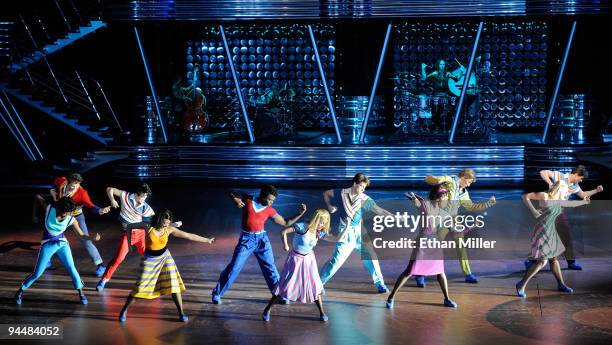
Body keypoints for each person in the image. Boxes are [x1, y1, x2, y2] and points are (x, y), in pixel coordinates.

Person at [211, 185, 307, 304]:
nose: (271, 202)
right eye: (269, 199)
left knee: (270, 268)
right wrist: (236, 199)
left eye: (273, 200)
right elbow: (231, 192)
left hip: (262, 240)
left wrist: (300, 214)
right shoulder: (248, 199)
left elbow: (286, 222)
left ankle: (279, 294)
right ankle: (217, 293)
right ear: (262, 196)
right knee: (234, 267)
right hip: (247, 240)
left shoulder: (270, 210)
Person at [118, 209, 215, 322]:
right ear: (160, 219)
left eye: (169, 220)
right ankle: (124, 310)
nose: (168, 222)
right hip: (150, 260)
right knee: (140, 288)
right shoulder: (148, 228)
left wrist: (207, 240)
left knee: (174, 285)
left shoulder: (169, 229)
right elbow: (129, 227)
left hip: (165, 258)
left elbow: (189, 236)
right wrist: (130, 244)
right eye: (166, 220)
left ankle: (181, 313)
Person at [15, 197, 101, 305]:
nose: (70, 214)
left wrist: (92, 238)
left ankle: (81, 293)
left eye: (71, 212)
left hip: (62, 244)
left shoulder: (71, 219)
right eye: (68, 212)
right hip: (47, 244)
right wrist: (34, 215)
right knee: (37, 273)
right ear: (60, 209)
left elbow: (81, 234)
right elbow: (38, 197)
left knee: (71, 268)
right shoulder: (49, 208)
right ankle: (19, 291)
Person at [386, 184, 458, 309]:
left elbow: (454, 229)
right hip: (422, 243)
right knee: (409, 271)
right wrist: (414, 199)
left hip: (435, 244)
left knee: (441, 272)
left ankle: (447, 299)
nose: (447, 200)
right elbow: (418, 203)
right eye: (445, 197)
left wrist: (468, 227)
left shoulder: (444, 213)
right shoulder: (425, 205)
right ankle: (391, 297)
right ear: (438, 197)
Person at [319, 173, 393, 293]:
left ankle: (380, 283)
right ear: (355, 183)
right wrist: (330, 206)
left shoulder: (364, 199)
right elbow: (326, 193)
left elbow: (381, 211)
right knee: (336, 261)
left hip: (359, 231)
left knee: (371, 257)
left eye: (365, 188)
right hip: (345, 232)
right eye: (362, 186)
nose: (363, 190)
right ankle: (318, 284)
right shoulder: (341, 193)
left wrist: (395, 217)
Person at [420, 169, 495, 285]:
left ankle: (468, 273)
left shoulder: (464, 193)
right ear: (464, 177)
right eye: (469, 182)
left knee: (461, 246)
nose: (469, 185)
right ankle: (420, 273)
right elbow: (428, 179)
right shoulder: (450, 180)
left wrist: (488, 203)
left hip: (454, 219)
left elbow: (471, 207)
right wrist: (438, 180)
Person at [516, 181, 590, 297]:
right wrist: (534, 211)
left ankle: (561, 284)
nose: (566, 193)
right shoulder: (545, 196)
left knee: (554, 259)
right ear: (559, 188)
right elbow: (525, 197)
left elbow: (572, 204)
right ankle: (521, 284)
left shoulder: (560, 201)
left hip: (552, 232)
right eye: (565, 190)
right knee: (542, 261)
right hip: (542, 231)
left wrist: (584, 202)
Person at [524, 165, 604, 270]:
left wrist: (596, 190)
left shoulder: (575, 186)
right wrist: (550, 183)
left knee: (566, 236)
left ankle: (571, 262)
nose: (580, 181)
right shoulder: (559, 176)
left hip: (560, 212)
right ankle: (531, 261)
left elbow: (583, 194)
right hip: (549, 211)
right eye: (581, 178)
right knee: (544, 238)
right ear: (576, 174)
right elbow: (543, 172)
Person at [33, 173, 110, 277]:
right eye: (72, 184)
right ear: (68, 182)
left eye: (77, 184)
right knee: (51, 236)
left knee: (85, 239)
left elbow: (91, 206)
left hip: (76, 217)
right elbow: (53, 185)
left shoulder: (82, 194)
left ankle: (100, 265)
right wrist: (52, 191)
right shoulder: (62, 182)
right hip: (60, 215)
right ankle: (47, 261)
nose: (74, 187)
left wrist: (100, 210)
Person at [262, 209, 331, 322]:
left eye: (324, 223)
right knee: (284, 285)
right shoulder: (302, 226)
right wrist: (286, 245)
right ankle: (267, 309)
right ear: (316, 219)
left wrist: (345, 231)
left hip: (309, 260)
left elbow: (333, 238)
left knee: (315, 286)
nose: (322, 225)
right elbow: (283, 232)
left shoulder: (319, 231)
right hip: (295, 259)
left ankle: (322, 312)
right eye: (321, 222)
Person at [96, 183, 156, 291]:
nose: (144, 198)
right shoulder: (125, 196)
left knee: (150, 256)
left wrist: (170, 225)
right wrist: (112, 200)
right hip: (127, 235)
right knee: (118, 259)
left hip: (140, 235)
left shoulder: (145, 207)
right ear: (137, 194)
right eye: (143, 196)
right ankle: (104, 280)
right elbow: (109, 188)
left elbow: (156, 218)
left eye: (146, 196)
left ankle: (155, 280)